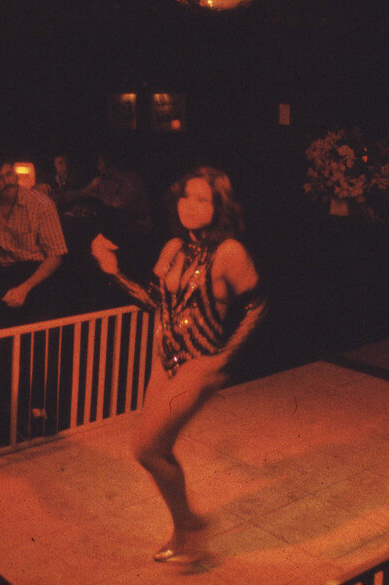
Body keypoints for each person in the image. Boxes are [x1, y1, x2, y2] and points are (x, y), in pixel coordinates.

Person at [90, 167, 266, 565]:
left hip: (200, 363)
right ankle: (184, 530)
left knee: (145, 447)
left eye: (203, 199)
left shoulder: (230, 252)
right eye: (186, 196)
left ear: (218, 206)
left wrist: (225, 357)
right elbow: (157, 304)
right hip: (163, 361)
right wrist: (112, 271)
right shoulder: (173, 248)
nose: (191, 205)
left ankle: (189, 523)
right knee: (159, 451)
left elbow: (258, 306)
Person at [0, 153, 68, 316]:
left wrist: (24, 289)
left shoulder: (41, 205)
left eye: (9, 175)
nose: (8, 181)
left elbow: (56, 255)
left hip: (35, 273)